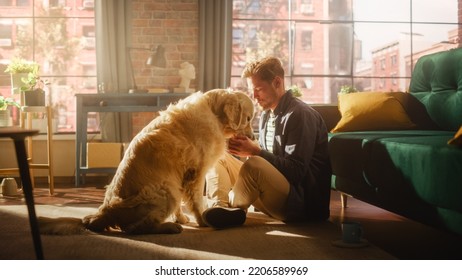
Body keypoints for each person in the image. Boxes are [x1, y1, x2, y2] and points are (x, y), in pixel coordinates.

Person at [201, 56, 332, 229]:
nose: (254, 96)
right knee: (219, 156)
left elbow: (295, 172)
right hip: (275, 193)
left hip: (300, 204)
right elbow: (267, 161)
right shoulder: (266, 115)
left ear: (277, 82)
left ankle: (233, 208)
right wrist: (244, 147)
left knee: (254, 164)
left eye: (258, 89)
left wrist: (255, 152)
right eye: (252, 90)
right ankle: (220, 207)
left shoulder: (300, 115)